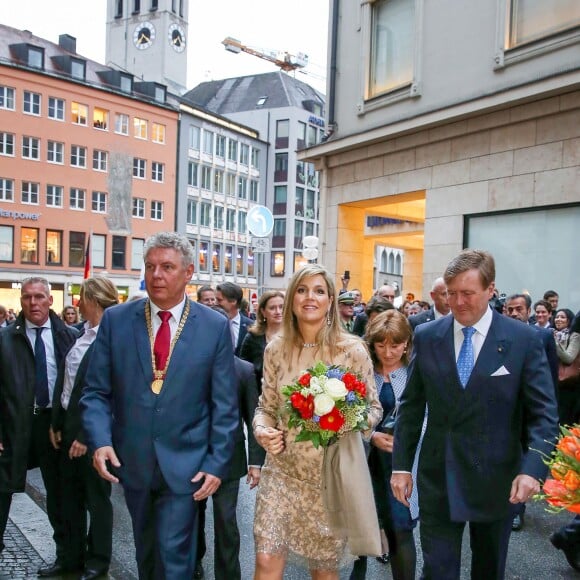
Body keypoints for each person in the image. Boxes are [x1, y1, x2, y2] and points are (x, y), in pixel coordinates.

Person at [80, 232, 239, 579]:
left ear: (188, 273)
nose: (156, 275)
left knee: (175, 559)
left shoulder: (213, 327)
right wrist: (101, 440)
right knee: (146, 557)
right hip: (132, 461)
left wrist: (215, 463)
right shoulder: (117, 320)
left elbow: (224, 405)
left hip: (187, 464)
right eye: (150, 266)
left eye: (167, 267)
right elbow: (95, 392)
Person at [391, 249, 558, 580]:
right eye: (451, 293)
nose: (458, 302)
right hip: (438, 474)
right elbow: (410, 408)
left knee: (488, 569)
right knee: (437, 571)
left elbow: (544, 415)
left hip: (496, 479)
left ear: (490, 290)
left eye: (467, 293)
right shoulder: (427, 336)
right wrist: (400, 467)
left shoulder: (523, 339)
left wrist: (533, 470)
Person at [252, 264, 383, 579]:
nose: (310, 297)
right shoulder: (275, 350)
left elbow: (374, 409)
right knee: (266, 559)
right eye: (301, 289)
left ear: (330, 301)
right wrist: (260, 429)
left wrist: (346, 419)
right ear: (291, 299)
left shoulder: (352, 350)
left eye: (319, 291)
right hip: (281, 473)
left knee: (324, 571)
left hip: (329, 479)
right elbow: (266, 406)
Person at [0, 277, 78, 577]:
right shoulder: (6, 338)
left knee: (59, 494)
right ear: (21, 301)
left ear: (50, 300)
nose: (33, 303)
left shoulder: (67, 336)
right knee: (3, 490)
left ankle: (66, 557)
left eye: (39, 297)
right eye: (27, 297)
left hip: (53, 426)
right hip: (14, 423)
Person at [51, 277, 118, 580]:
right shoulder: (82, 334)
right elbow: (66, 383)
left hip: (92, 435)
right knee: (70, 500)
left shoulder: (112, 338)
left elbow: (108, 393)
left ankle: (98, 561)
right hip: (66, 428)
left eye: (82, 297)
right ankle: (71, 559)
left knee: (97, 501)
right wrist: (57, 423)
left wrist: (84, 436)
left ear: (93, 299)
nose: (77, 302)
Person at [195, 305, 265, 580]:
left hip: (229, 458)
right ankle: (193, 564)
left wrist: (255, 462)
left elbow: (254, 417)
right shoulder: (186, 367)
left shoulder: (244, 370)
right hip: (192, 457)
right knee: (192, 518)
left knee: (226, 522)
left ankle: (228, 575)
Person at [351, 309, 419, 580]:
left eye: (396, 345)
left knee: (400, 528)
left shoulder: (416, 372)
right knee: (359, 531)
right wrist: (371, 435)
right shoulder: (361, 372)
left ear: (406, 343)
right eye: (381, 345)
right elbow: (347, 415)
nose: (388, 352)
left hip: (401, 464)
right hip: (364, 462)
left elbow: (427, 414)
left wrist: (404, 439)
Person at [503, 293, 559, 531]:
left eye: (519, 309)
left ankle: (518, 509)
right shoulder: (501, 335)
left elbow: (551, 376)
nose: (514, 313)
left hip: (532, 409)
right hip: (509, 410)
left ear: (528, 312)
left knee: (527, 456)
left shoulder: (543, 336)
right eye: (510, 309)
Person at [239, 291, 284, 389]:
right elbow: (243, 369)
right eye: (272, 308)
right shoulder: (253, 337)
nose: (278, 311)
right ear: (263, 312)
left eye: (281, 307)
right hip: (258, 393)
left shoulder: (295, 335)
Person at [555, 311, 580, 426]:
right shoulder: (552, 333)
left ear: (569, 320)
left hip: (569, 385)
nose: (558, 319)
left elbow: (569, 358)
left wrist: (555, 343)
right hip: (556, 383)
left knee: (566, 418)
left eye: (562, 317)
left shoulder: (575, 336)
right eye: (557, 317)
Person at [216, 282, 253, 356]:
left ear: (233, 301)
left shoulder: (251, 326)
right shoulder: (210, 323)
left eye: (219, 300)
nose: (215, 303)